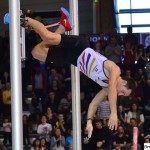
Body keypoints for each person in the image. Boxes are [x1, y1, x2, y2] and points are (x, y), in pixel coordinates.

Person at [21, 7, 136, 138]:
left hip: (71, 59)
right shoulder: (115, 70)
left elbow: (93, 103)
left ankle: (64, 26)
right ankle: (23, 18)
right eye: (123, 91)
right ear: (124, 82)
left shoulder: (105, 87)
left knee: (36, 52)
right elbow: (112, 89)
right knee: (47, 36)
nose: (120, 93)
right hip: (79, 47)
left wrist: (89, 122)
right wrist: (114, 113)